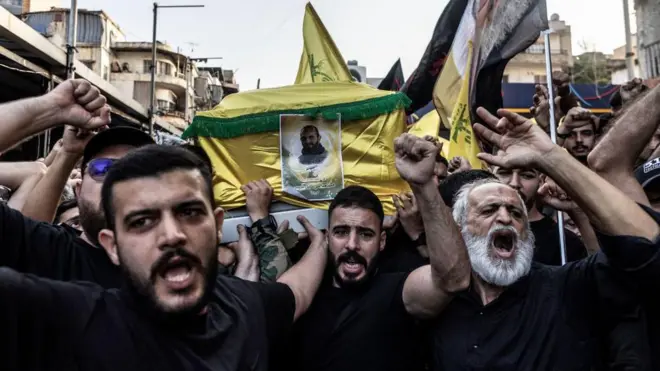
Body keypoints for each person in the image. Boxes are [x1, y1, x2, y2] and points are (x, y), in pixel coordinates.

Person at [0, 144, 328, 371]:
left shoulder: (246, 304)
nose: (172, 235)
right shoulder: (72, 322)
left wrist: (321, 243)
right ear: (112, 246)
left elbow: (296, 291)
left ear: (216, 226)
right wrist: (48, 110)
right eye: (142, 221)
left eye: (188, 211)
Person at [428, 106, 659, 370]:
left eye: (516, 213)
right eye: (490, 209)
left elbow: (643, 246)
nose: (505, 218)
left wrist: (551, 157)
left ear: (528, 233)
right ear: (460, 229)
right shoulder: (437, 302)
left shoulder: (565, 287)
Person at [288, 133, 471, 371]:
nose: (352, 245)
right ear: (327, 237)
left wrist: (424, 186)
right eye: (341, 232)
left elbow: (454, 280)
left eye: (365, 234)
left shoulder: (398, 291)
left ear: (382, 241)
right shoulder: (302, 295)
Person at [491, 166, 587, 265]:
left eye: (527, 175)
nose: (514, 183)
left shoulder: (564, 242)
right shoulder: (477, 231)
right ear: (490, 177)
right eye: (504, 173)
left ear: (541, 181)